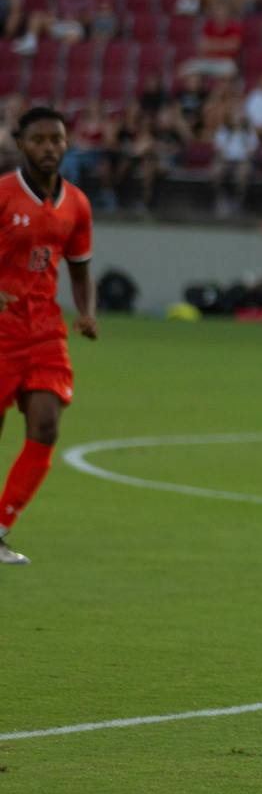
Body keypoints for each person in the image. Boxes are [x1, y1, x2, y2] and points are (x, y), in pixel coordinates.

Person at [0, 108, 99, 565]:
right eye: (38, 139)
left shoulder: (76, 204)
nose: (49, 147)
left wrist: (87, 313)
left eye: (56, 139)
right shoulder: (2, 195)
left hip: (44, 332)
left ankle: (0, 528)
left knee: (46, 425)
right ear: (21, 144)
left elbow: (80, 269)